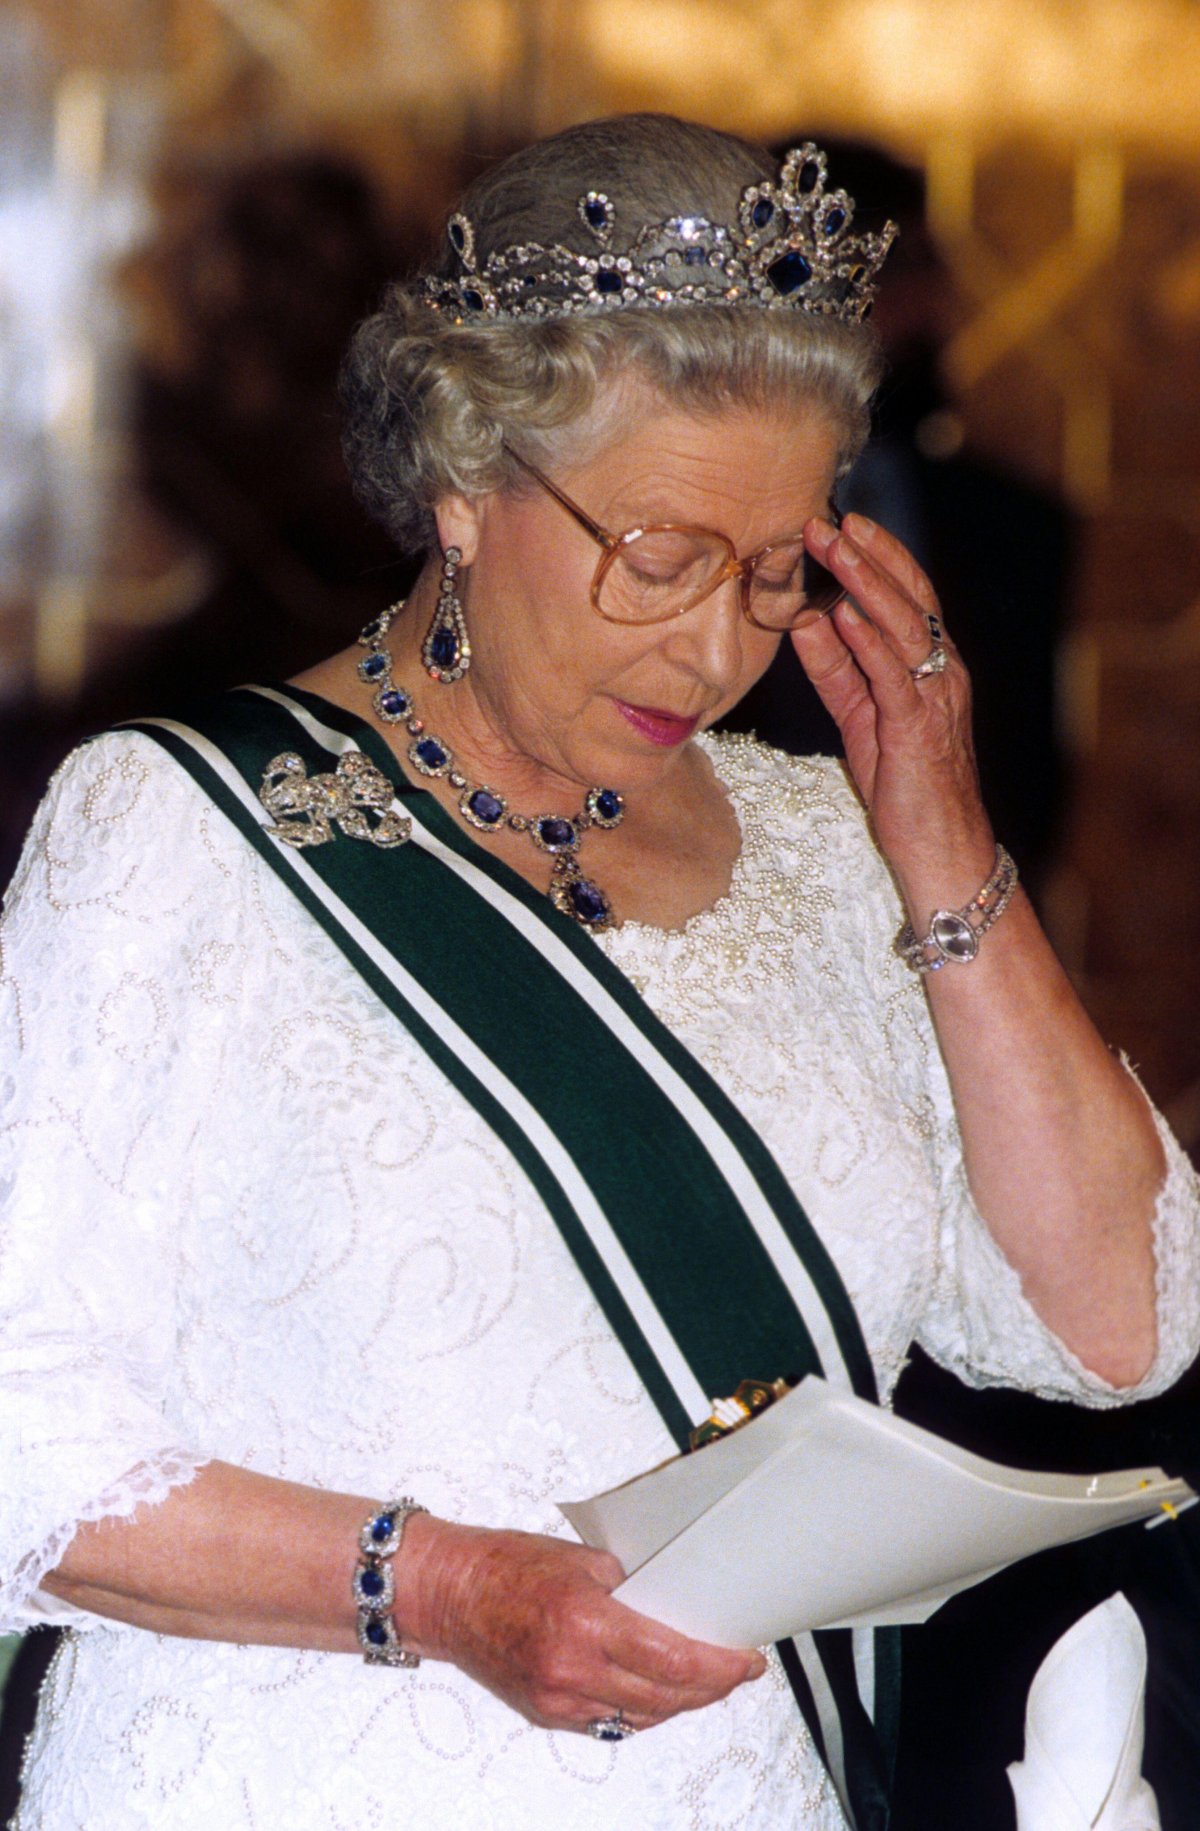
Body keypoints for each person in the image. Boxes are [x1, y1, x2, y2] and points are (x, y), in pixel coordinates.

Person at [1, 113, 1197, 1831]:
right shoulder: (179, 833)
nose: (716, 649)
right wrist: (440, 1591)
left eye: (776, 573)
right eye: (659, 557)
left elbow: (1119, 1328)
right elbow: (17, 1433)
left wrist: (942, 843)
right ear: (466, 483)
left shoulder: (821, 841)